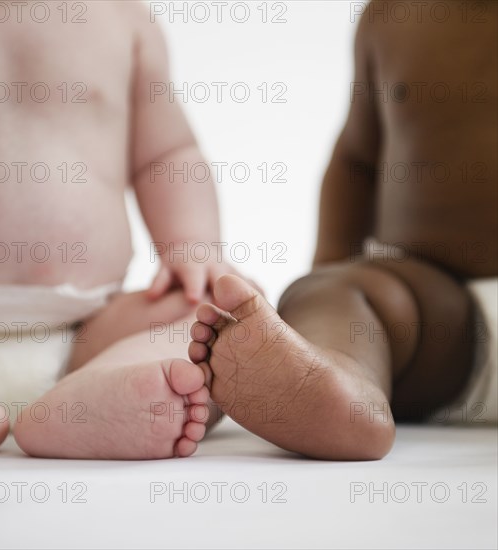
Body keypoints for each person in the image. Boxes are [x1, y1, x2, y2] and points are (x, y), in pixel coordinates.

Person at [189, 0, 497, 460]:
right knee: (337, 294)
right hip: (447, 318)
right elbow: (356, 162)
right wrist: (323, 290)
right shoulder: (394, 14)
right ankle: (340, 386)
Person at [0, 1, 239, 459]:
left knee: (221, 315)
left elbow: (167, 154)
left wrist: (191, 244)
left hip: (90, 333)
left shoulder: (124, 18)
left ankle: (97, 400)